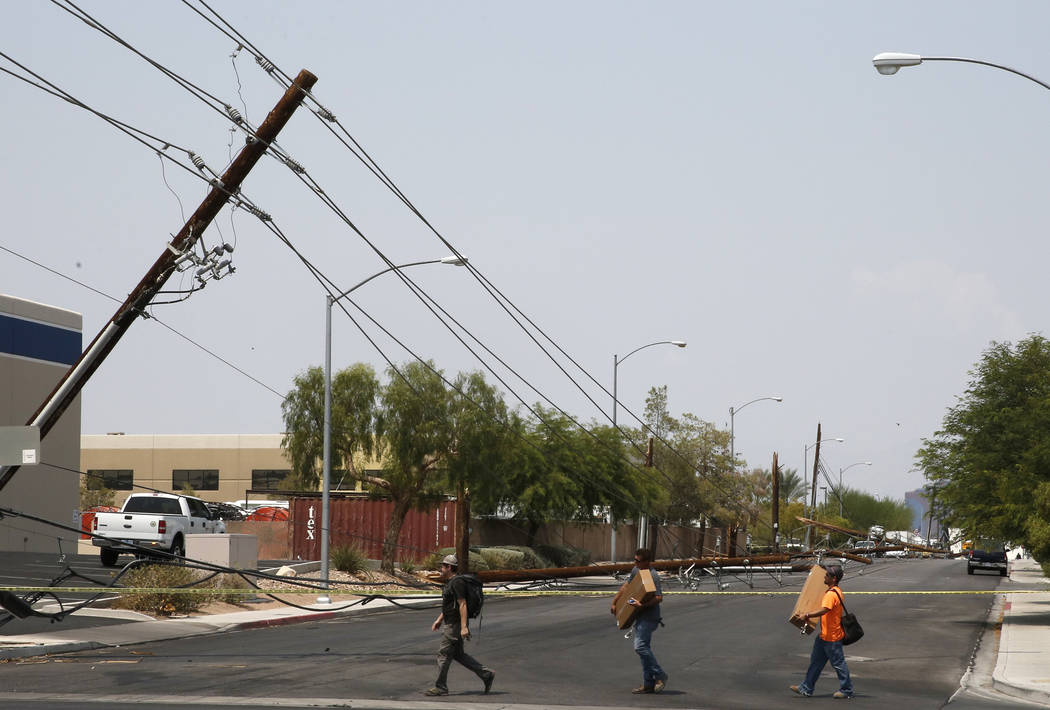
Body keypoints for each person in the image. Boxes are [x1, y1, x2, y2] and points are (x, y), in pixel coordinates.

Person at [424, 554, 495, 697]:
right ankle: (486, 674)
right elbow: (451, 606)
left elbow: (462, 604)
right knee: (458, 655)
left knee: (443, 654)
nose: (440, 569)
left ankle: (441, 686)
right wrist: (439, 619)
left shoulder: (457, 583)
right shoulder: (451, 582)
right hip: (451, 622)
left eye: (442, 566)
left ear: (449, 567)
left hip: (454, 625)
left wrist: (464, 627)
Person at [790, 564, 855, 699]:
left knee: (838, 664)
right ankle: (806, 688)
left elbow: (825, 609)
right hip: (824, 636)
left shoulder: (831, 594)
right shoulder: (835, 590)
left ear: (834, 578)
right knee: (816, 663)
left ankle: (847, 689)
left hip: (832, 637)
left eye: (827, 575)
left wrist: (807, 615)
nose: (824, 577)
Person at [610, 548, 668, 694]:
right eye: (634, 560)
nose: (635, 563)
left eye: (638, 561)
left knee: (640, 647)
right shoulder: (637, 570)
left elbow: (659, 597)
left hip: (650, 617)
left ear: (647, 562)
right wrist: (615, 602)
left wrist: (642, 606)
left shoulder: (653, 575)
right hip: (639, 616)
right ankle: (648, 683)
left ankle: (660, 674)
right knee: (644, 650)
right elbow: (627, 586)